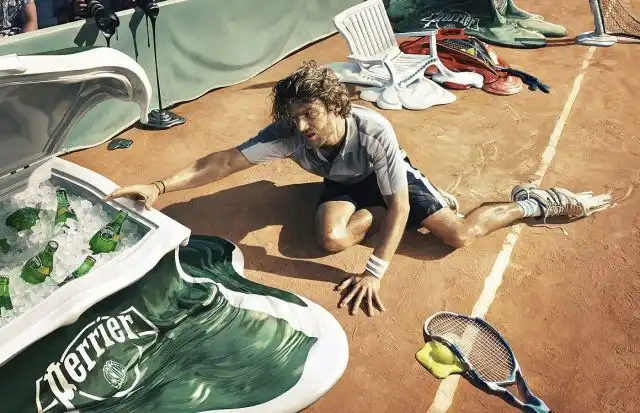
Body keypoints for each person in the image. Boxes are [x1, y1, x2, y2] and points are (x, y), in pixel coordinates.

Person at [105, 61, 612, 318]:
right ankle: (374, 215)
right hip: (344, 181)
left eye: (310, 114)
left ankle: (531, 203)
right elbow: (222, 162)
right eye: (294, 117)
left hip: (391, 177)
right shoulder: (288, 135)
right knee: (330, 240)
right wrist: (158, 185)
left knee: (455, 234)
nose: (302, 127)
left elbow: (399, 202)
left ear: (335, 107)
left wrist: (374, 272)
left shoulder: (373, 130)